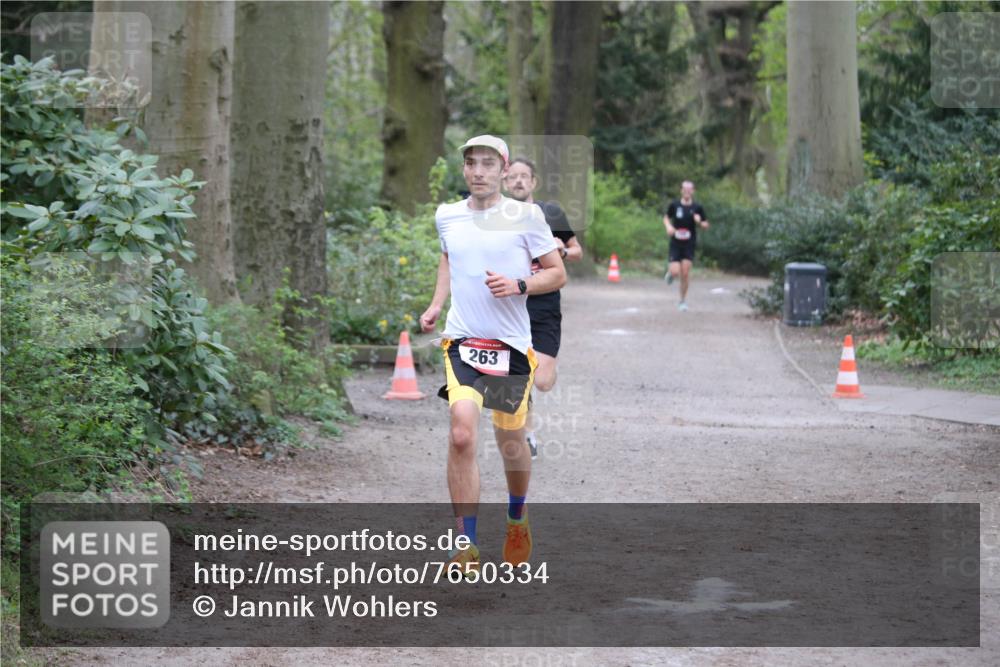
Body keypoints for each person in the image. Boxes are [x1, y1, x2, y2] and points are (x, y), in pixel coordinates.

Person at [419, 135, 566, 575]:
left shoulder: (527, 216)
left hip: (510, 346)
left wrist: (519, 285)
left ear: (503, 171)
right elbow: (449, 260)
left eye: (487, 163)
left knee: (510, 441)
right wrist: (435, 304)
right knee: (461, 433)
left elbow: (556, 273)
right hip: (463, 340)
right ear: (463, 170)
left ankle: (517, 517)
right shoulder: (447, 216)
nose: (478, 171)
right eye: (470, 163)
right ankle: (465, 544)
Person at [503, 157, 582, 458]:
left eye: (525, 177)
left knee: (543, 381)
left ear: (534, 182)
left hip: (544, 304)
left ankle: (547, 370)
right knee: (519, 375)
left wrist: (562, 248)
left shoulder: (550, 213)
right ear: (505, 182)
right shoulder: (496, 219)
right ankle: (528, 432)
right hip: (510, 306)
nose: (519, 181)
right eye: (513, 177)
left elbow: (577, 250)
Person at [663, 180, 710, 311]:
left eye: (689, 189)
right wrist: (668, 227)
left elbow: (706, 225)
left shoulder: (697, 208)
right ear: (681, 191)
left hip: (689, 243)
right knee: (675, 271)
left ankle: (682, 301)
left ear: (693, 191)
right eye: (685, 189)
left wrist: (700, 222)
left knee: (685, 273)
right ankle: (671, 274)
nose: (687, 192)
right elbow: (666, 217)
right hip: (676, 242)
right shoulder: (674, 205)